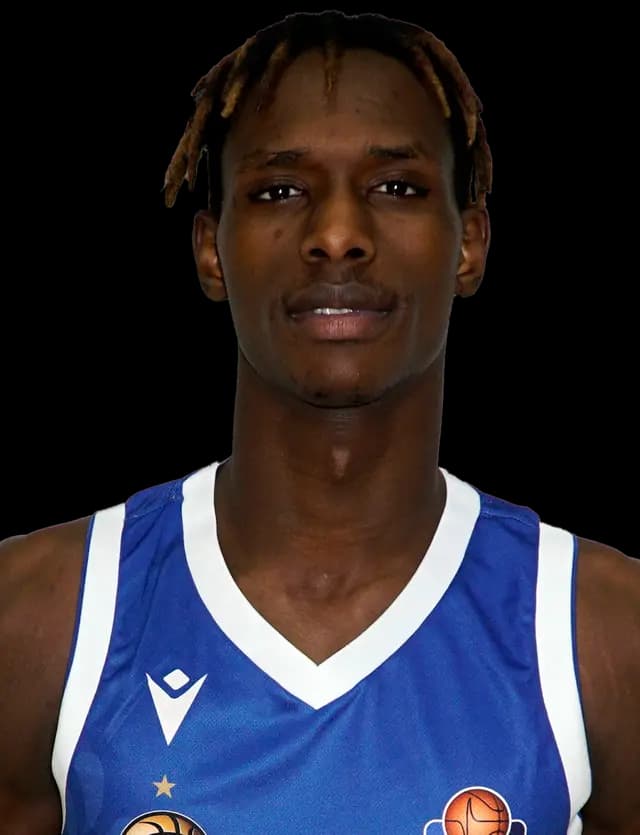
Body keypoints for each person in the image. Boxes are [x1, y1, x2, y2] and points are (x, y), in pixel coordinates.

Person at [1, 9, 638, 834]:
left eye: (397, 187)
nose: (337, 235)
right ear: (211, 250)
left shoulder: (603, 633)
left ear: (470, 243)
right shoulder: (39, 618)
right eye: (281, 190)